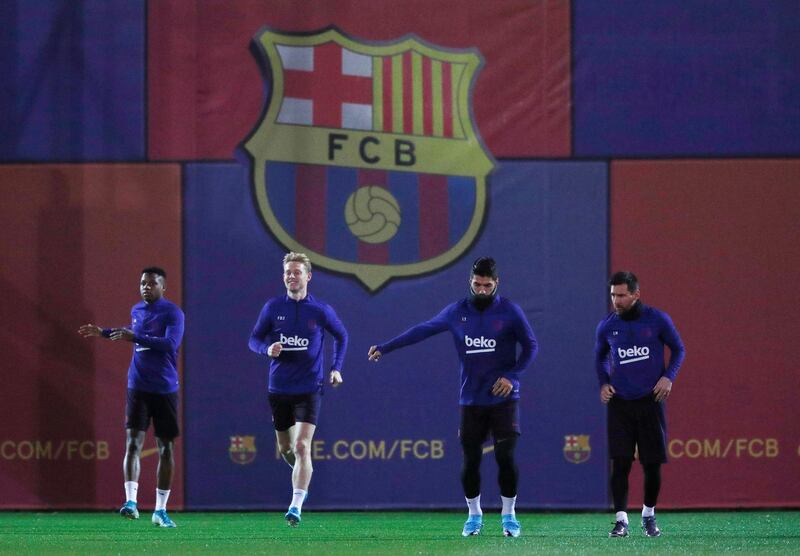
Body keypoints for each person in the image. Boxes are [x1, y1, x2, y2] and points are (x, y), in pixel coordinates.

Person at [368, 257, 537, 538]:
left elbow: (531, 346)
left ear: (497, 284)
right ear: (469, 282)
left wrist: (512, 376)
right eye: (477, 284)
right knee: (471, 461)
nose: (482, 290)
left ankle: (509, 516)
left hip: (504, 399)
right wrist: (385, 347)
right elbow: (421, 330)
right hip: (471, 400)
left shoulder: (510, 311)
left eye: (487, 285)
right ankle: (474, 515)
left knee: (505, 457)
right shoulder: (456, 312)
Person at [78, 266, 184, 528]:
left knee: (166, 448)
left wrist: (134, 336)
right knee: (133, 443)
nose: (146, 287)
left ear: (163, 287)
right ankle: (131, 502)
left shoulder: (173, 312)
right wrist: (103, 332)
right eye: (142, 283)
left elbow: (170, 344)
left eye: (151, 283)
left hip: (165, 389)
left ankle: (160, 510)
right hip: (137, 386)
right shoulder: (137, 310)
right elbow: (131, 330)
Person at [248, 252, 348, 527]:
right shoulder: (272, 308)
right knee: (286, 449)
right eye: (287, 272)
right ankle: (304, 476)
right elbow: (254, 339)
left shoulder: (320, 310)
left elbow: (341, 335)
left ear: (308, 276)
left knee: (303, 445)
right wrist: (265, 348)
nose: (291, 276)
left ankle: (296, 505)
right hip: (279, 387)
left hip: (309, 388)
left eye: (296, 272)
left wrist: (336, 368)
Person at [595, 271, 685, 538]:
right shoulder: (607, 326)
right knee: (620, 462)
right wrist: (603, 382)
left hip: (650, 402)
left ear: (636, 294)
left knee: (652, 464)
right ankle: (621, 520)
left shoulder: (657, 320)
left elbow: (679, 349)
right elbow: (599, 358)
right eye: (613, 295)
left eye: (622, 295)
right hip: (620, 403)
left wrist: (668, 377)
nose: (616, 301)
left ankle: (648, 515)